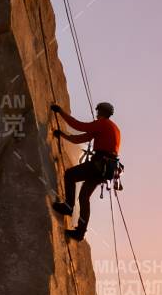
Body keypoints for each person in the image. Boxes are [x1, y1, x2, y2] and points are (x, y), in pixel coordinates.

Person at [50, 102, 120, 240]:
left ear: (101, 112)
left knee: (70, 174)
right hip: (106, 169)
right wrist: (63, 136)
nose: (96, 113)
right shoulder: (114, 128)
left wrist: (60, 111)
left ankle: (68, 207)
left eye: (98, 111)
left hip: (99, 163)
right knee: (84, 197)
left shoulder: (102, 123)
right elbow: (82, 138)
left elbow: (78, 126)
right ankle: (80, 232)